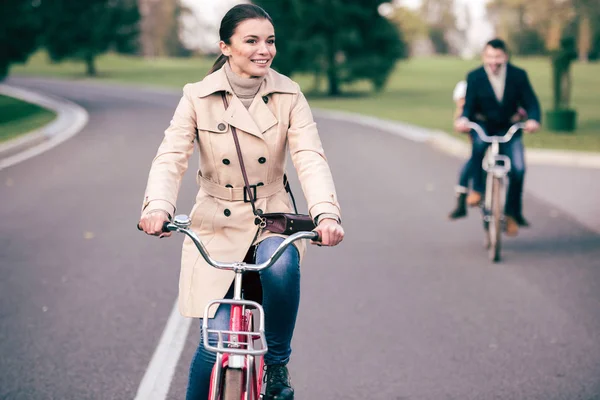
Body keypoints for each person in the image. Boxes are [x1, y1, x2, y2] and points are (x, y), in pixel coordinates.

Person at [138, 4, 344, 399]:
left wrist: (326, 213)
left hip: (274, 214)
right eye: (251, 41)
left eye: (270, 41)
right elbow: (171, 155)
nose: (264, 49)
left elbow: (309, 157)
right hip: (216, 218)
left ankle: (278, 366)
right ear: (226, 46)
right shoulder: (197, 97)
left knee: (282, 269)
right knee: (212, 346)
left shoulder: (288, 94)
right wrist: (157, 206)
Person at [453, 38, 541, 235]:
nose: (494, 61)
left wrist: (533, 119)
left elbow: (531, 102)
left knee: (518, 168)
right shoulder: (474, 76)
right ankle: (476, 189)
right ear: (484, 57)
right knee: (478, 147)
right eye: (490, 56)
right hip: (484, 125)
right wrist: (463, 120)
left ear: (505, 57)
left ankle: (511, 213)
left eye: (498, 57)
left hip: (509, 127)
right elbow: (468, 107)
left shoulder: (518, 76)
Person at [448, 79, 529, 220]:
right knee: (474, 160)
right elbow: (464, 114)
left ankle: (512, 211)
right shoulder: (471, 90)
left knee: (511, 165)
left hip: (501, 130)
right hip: (483, 130)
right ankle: (464, 199)